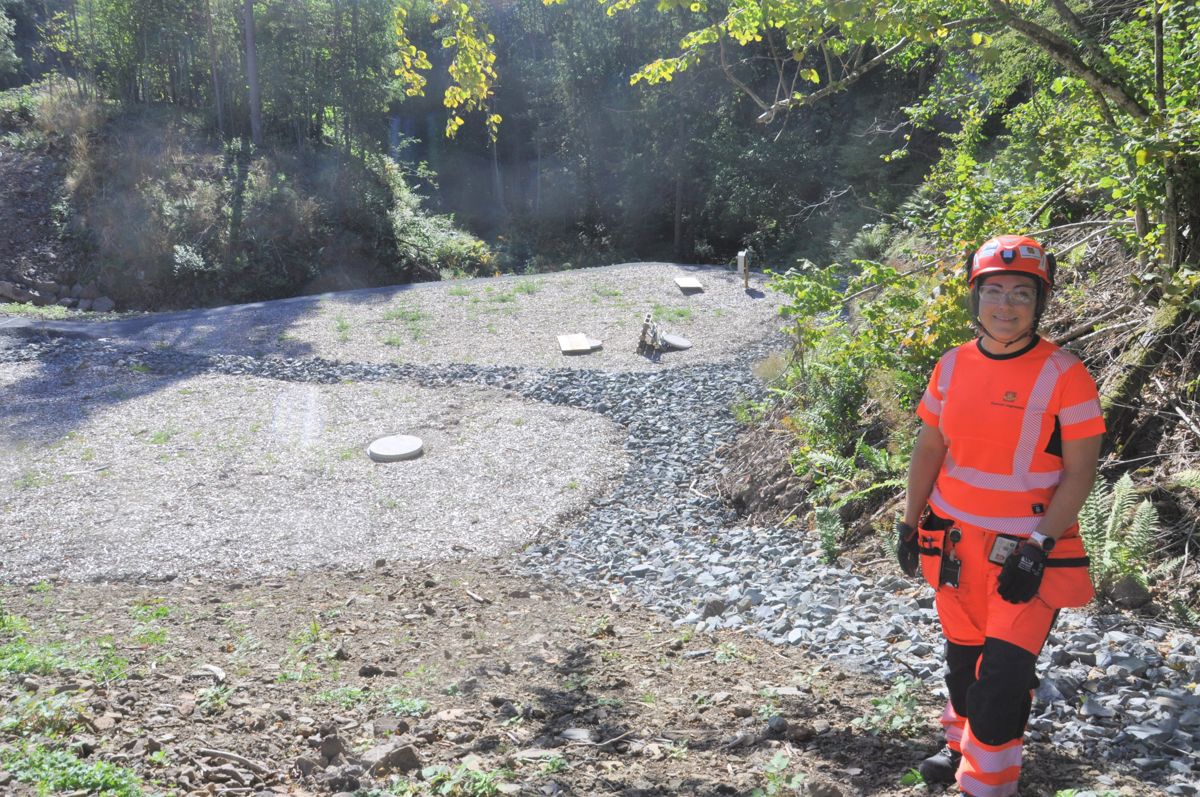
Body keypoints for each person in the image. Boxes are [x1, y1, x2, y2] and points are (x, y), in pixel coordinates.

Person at [896, 234, 1105, 797]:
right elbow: (930, 448)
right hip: (952, 543)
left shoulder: (1066, 374)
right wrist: (909, 521)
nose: (1006, 305)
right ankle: (959, 742)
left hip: (1027, 547)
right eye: (993, 291)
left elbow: (1080, 472)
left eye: (1021, 293)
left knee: (1006, 673)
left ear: (1039, 302)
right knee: (963, 659)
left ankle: (988, 784)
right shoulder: (951, 365)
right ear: (975, 298)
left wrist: (1039, 544)